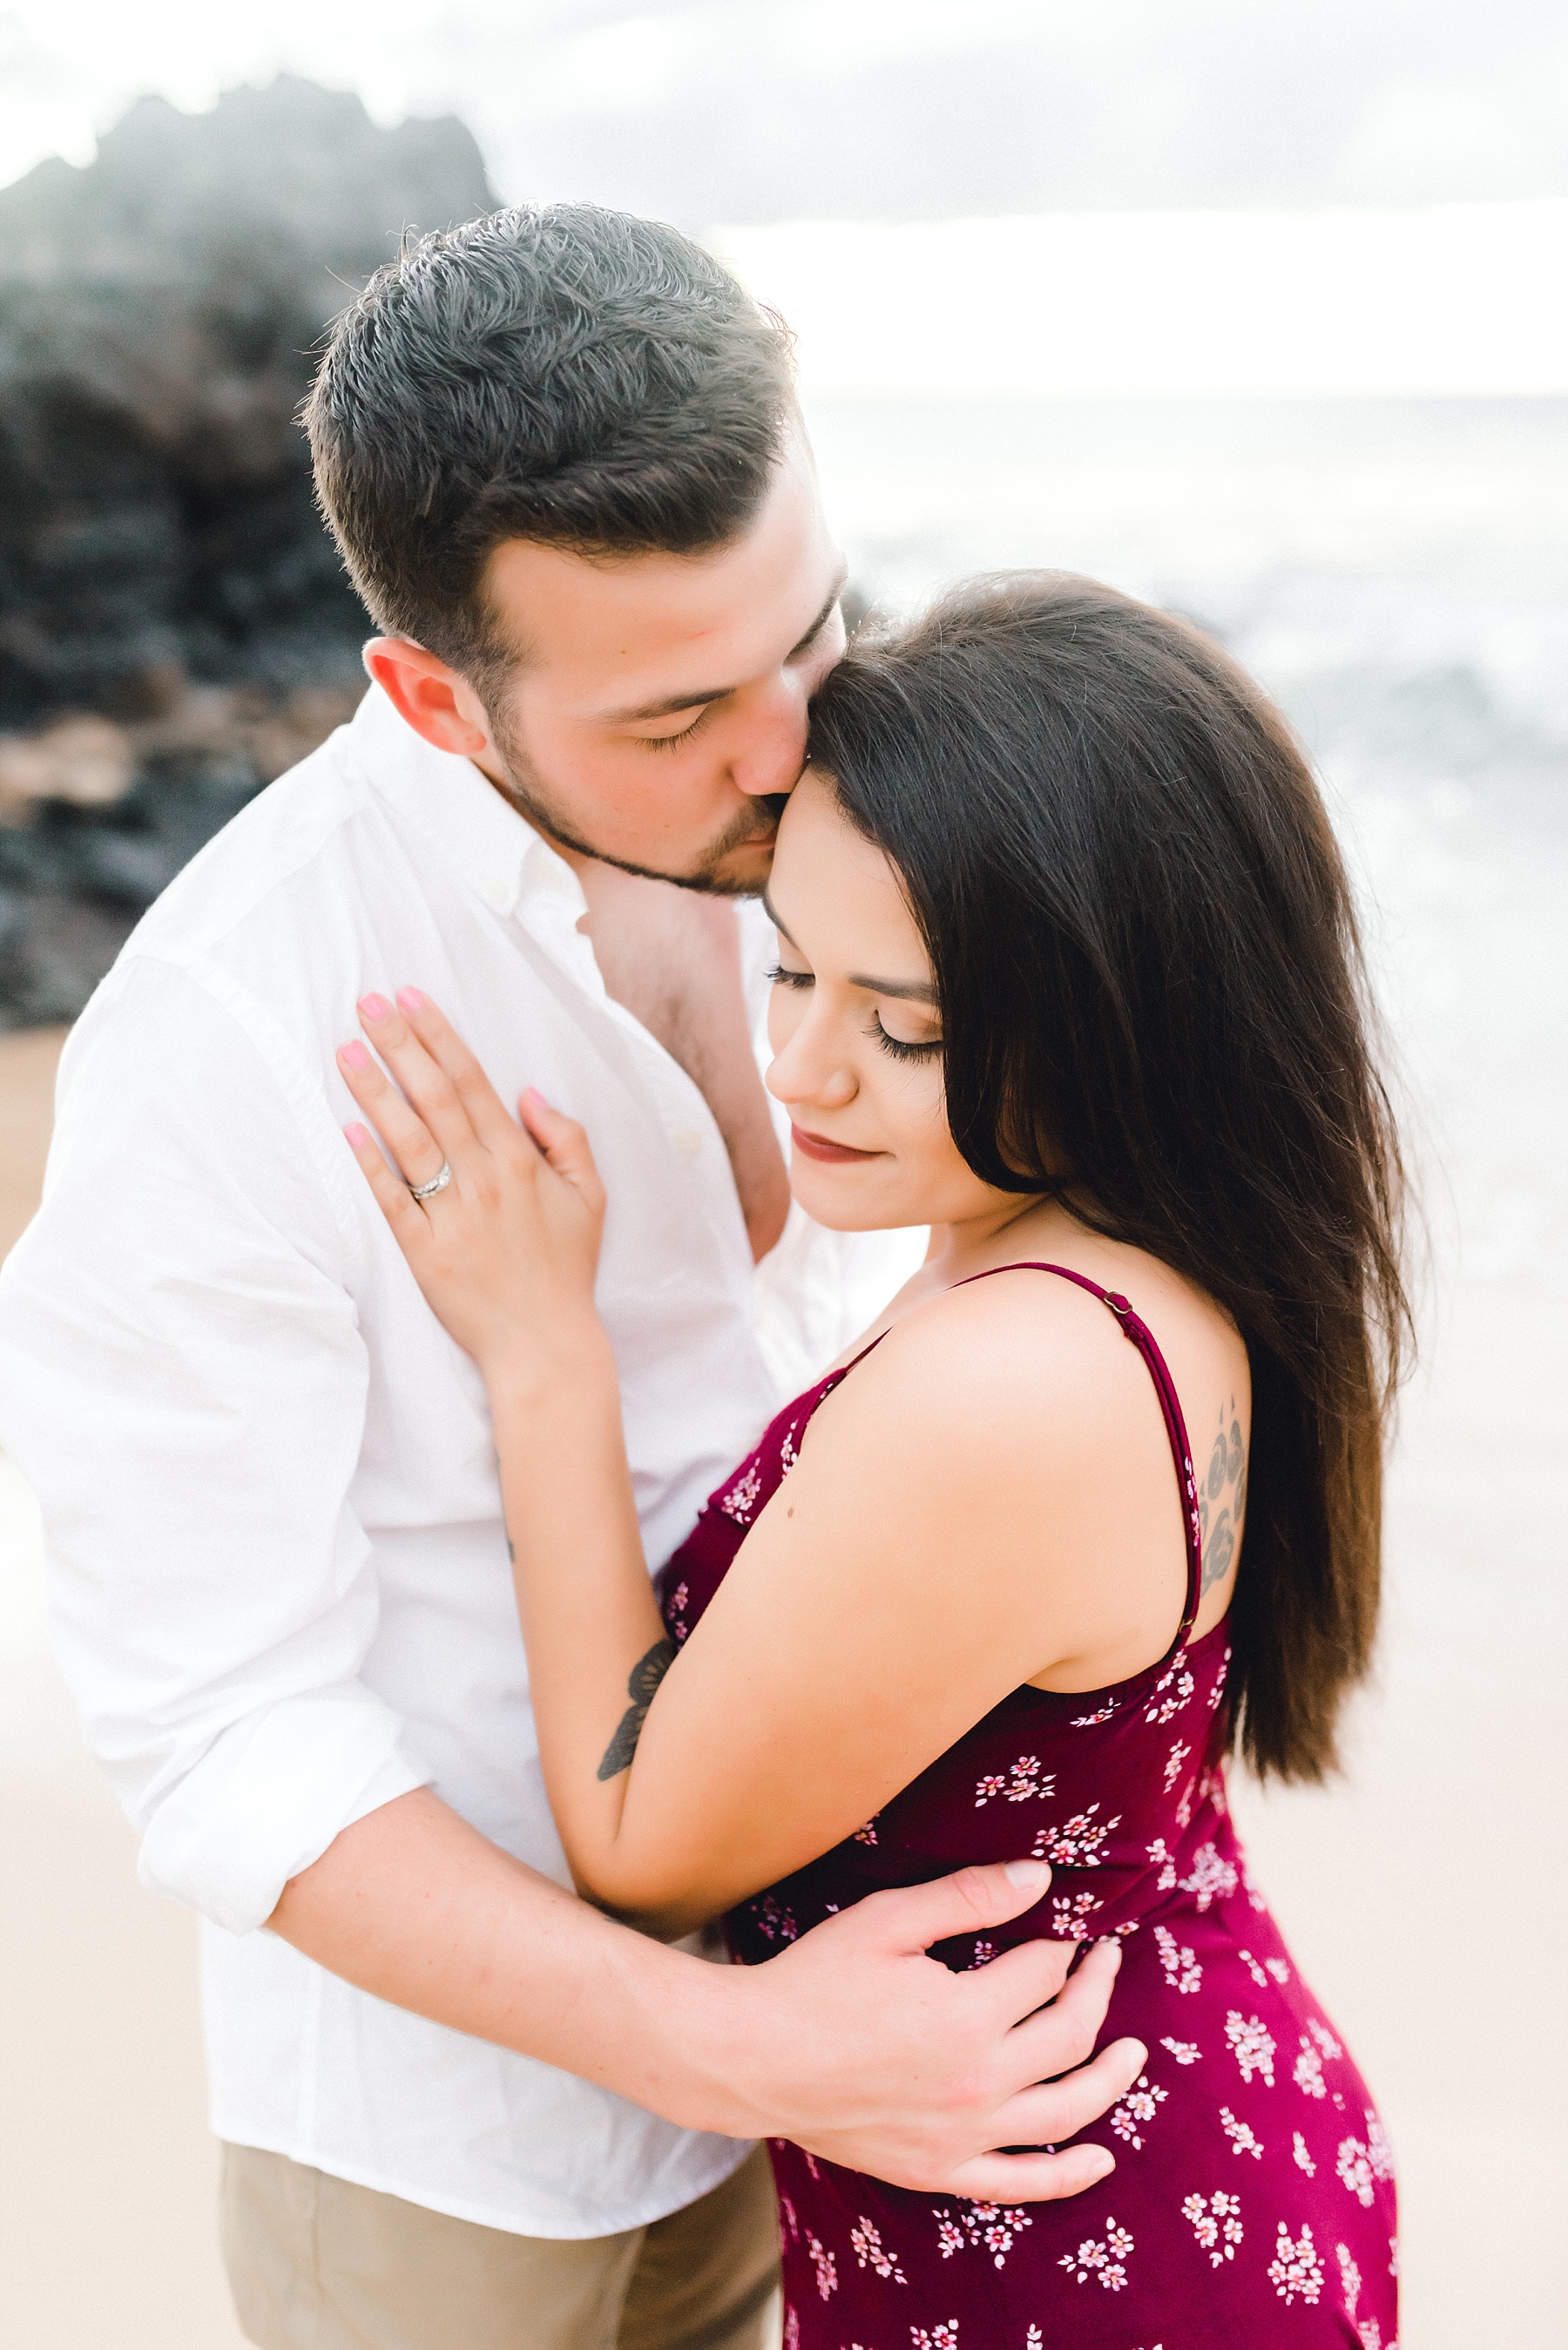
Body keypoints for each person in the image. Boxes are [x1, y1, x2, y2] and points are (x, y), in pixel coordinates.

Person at [0, 211, 1144, 2350]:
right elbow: (222, 1731)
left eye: (815, 628)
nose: (789, 749)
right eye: (680, 713)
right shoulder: (235, 1030)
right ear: (434, 697)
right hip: (456, 2155)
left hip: (837, 2058)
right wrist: (728, 2041)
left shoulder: (850, 824)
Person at [333, 572, 1409, 2347]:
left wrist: (542, 1352)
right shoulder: (1137, 1252)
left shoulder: (1014, 1386)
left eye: (903, 1026)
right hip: (1172, 2127)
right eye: (789, 963)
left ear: (1126, 1021)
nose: (803, 1065)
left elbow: (642, 1841)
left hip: (1076, 2245)